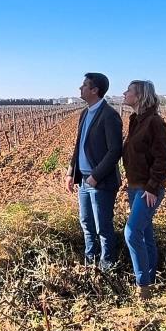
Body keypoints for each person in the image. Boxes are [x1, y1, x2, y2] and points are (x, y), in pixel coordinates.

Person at [65, 73, 123, 270]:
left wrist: (95, 177)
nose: (80, 88)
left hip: (100, 182)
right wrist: (71, 173)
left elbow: (115, 150)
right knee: (86, 224)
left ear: (94, 90)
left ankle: (107, 265)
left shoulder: (109, 115)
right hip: (83, 181)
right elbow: (78, 145)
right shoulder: (84, 113)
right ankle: (90, 262)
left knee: (103, 227)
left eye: (84, 85)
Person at [121, 80, 166, 299]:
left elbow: (163, 160)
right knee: (145, 234)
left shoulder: (155, 123)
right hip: (135, 187)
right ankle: (151, 279)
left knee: (131, 232)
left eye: (129, 91)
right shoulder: (135, 120)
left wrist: (152, 188)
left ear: (140, 96)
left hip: (147, 189)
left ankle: (142, 286)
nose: (124, 93)